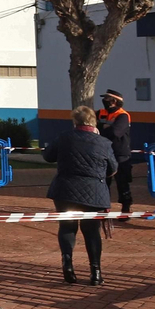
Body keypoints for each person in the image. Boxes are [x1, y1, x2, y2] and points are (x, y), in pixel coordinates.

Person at [42, 105, 116, 285]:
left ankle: (67, 265)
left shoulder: (64, 137)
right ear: (94, 122)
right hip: (94, 192)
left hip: (65, 190)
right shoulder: (104, 143)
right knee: (91, 232)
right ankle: (96, 272)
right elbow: (113, 169)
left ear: (75, 121)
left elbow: (48, 156)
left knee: (67, 227)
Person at [98, 89, 133, 212]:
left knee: (122, 182)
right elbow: (93, 129)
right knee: (103, 181)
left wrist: (102, 129)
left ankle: (126, 208)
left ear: (114, 101)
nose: (104, 101)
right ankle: (103, 207)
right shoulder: (100, 113)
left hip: (120, 154)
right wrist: (105, 128)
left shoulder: (123, 115)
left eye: (106, 98)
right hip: (103, 152)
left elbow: (115, 132)